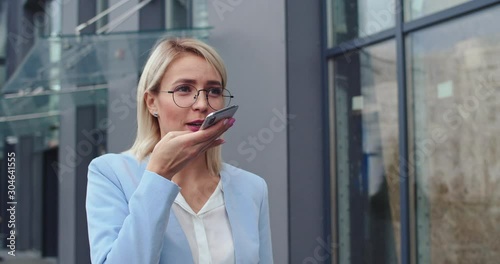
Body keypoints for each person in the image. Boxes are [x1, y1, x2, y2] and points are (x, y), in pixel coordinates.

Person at [86, 38, 273, 264]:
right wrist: (158, 175)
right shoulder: (111, 173)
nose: (202, 104)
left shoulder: (252, 187)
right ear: (151, 102)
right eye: (184, 89)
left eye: (213, 91)